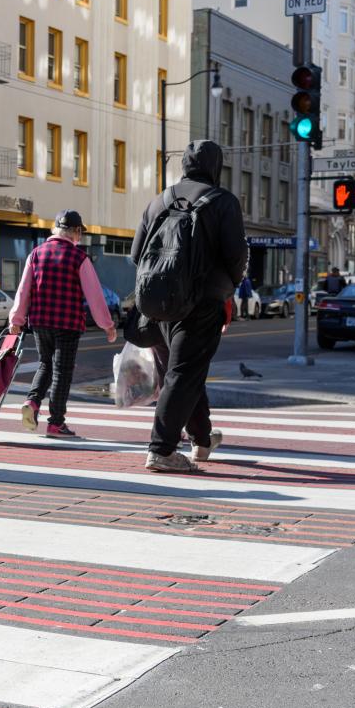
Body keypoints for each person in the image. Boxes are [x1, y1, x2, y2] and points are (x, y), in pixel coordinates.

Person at [131, 140, 247, 473]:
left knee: (182, 371)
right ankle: (162, 449)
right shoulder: (223, 201)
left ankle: (202, 438)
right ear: (215, 166)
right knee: (183, 373)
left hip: (158, 302)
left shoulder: (159, 201)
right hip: (202, 303)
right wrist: (230, 286)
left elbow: (137, 255)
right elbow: (236, 255)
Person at [9, 210, 118, 438]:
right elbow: (95, 296)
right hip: (68, 323)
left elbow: (23, 290)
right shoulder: (79, 258)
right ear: (76, 232)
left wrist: (16, 320)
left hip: (39, 322)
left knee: (45, 364)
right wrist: (107, 325)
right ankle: (55, 423)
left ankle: (32, 400)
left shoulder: (36, 254)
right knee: (62, 372)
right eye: (80, 233)